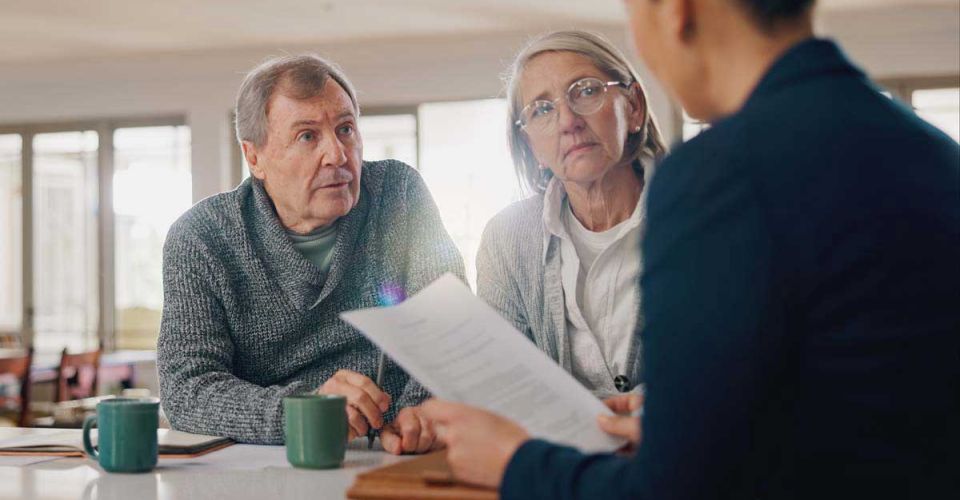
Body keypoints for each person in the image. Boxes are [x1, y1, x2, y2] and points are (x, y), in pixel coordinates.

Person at [422, 0, 960, 498]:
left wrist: (516, 463)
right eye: (541, 109)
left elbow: (678, 491)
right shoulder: (935, 153)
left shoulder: (718, 176)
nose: (566, 119)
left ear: (674, 12)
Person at [158, 54, 465, 455]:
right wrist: (304, 411)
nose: (337, 155)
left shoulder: (398, 193)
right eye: (307, 136)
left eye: (346, 129)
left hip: (397, 451)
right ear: (255, 157)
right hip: (268, 459)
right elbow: (186, 390)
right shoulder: (201, 237)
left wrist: (416, 414)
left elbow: (451, 332)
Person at [477, 30, 667, 399]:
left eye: (586, 90)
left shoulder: (700, 210)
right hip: (559, 452)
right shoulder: (507, 239)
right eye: (542, 109)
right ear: (530, 146)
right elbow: (504, 383)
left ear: (633, 107)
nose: (568, 121)